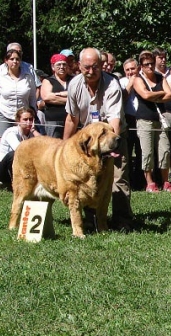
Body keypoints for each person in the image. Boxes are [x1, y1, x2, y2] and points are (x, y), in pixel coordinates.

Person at [63, 47, 133, 229]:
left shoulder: (112, 85)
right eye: (86, 67)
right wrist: (63, 146)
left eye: (95, 67)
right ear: (79, 66)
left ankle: (122, 221)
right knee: (87, 179)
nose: (91, 71)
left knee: (117, 178)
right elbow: (72, 119)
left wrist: (112, 148)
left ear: (102, 66)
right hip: (89, 140)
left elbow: (114, 121)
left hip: (113, 136)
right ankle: (92, 219)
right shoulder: (74, 85)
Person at [133, 51, 171, 192]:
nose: (150, 66)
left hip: (160, 119)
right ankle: (150, 183)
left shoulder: (160, 77)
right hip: (144, 119)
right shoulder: (137, 79)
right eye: (146, 64)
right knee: (147, 152)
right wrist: (160, 93)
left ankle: (165, 181)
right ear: (141, 66)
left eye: (151, 63)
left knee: (165, 150)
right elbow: (144, 94)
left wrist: (154, 96)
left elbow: (170, 95)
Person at [0, 48, 38, 141]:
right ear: (6, 61)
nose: (15, 61)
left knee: (22, 142)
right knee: (4, 143)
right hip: (4, 113)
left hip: (22, 115)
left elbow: (32, 96)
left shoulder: (28, 76)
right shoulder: (0, 75)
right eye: (12, 59)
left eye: (17, 59)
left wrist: (33, 113)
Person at [0, 107, 41, 189]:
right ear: (18, 121)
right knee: (14, 154)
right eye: (25, 119)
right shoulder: (11, 132)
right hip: (2, 170)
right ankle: (18, 185)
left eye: (31, 119)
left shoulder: (32, 134)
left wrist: (33, 131)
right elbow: (19, 150)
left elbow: (44, 145)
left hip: (19, 170)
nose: (28, 122)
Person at [119, 57, 143, 190]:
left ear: (138, 68)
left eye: (132, 69)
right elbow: (123, 98)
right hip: (128, 119)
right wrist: (131, 83)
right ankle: (128, 180)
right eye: (127, 70)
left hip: (142, 118)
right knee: (127, 151)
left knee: (141, 152)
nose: (130, 72)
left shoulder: (144, 79)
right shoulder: (121, 82)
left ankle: (140, 180)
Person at [40, 53, 71, 138]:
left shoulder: (74, 80)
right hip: (53, 121)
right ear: (53, 67)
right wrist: (71, 99)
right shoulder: (48, 81)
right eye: (59, 64)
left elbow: (80, 96)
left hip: (72, 120)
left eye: (64, 64)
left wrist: (57, 95)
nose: (62, 67)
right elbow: (47, 97)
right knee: (54, 146)